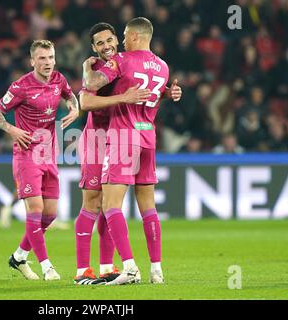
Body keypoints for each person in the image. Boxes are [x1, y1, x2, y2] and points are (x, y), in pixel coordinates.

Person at [75, 22, 182, 285]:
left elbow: (90, 91)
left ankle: (121, 267)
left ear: (131, 36)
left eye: (115, 38)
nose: (113, 45)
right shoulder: (163, 66)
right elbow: (143, 92)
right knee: (110, 203)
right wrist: (165, 93)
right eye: (100, 43)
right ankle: (150, 269)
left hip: (121, 135)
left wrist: (87, 69)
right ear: (93, 47)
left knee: (109, 205)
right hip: (129, 136)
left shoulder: (119, 62)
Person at [0, 40, 79, 281]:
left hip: (49, 155)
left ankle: (18, 257)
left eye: (50, 57)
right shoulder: (20, 87)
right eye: (42, 58)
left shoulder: (59, 79)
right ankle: (47, 266)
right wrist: (12, 130)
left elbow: (72, 98)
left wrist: (75, 109)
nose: (47, 62)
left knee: (49, 216)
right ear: (32, 61)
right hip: (27, 155)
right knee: (36, 212)